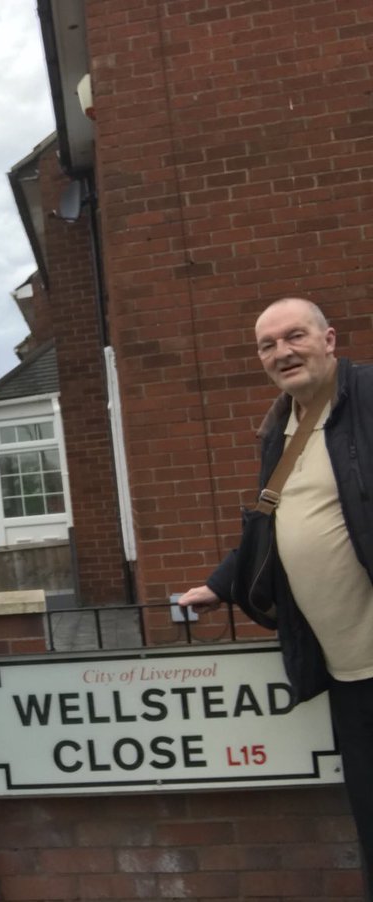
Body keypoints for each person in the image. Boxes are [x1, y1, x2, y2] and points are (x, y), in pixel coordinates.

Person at [180, 297, 373, 890]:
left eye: (295, 336)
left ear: (329, 339)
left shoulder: (366, 398)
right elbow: (272, 527)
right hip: (347, 670)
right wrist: (219, 584)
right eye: (268, 345)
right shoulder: (282, 428)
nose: (282, 352)